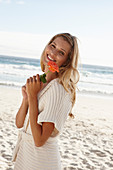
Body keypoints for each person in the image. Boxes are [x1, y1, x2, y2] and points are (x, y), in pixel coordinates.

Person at [13, 33, 80, 170]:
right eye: (53, 46)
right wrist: (26, 99)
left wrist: (32, 97)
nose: (53, 53)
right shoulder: (42, 81)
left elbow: (39, 140)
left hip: (41, 161)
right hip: (26, 156)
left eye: (61, 52)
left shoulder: (59, 89)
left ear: (66, 62)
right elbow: (19, 123)